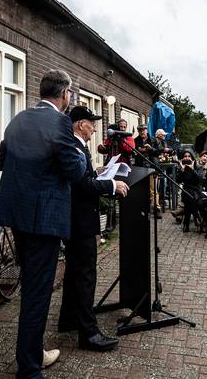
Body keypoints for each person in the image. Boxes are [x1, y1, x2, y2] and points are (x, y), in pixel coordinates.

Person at [0, 70, 89, 378]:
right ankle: (30, 369)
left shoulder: (19, 117)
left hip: (17, 217)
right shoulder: (60, 121)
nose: (70, 99)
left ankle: (33, 352)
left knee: (31, 288)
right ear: (64, 94)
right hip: (43, 220)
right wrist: (82, 153)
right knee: (37, 292)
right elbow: (75, 171)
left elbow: (1, 163)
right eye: (71, 94)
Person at [58, 106, 129, 352]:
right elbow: (81, 186)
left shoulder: (76, 146)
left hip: (76, 219)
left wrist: (99, 173)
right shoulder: (74, 146)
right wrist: (110, 184)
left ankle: (67, 319)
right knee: (86, 275)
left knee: (73, 273)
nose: (95, 128)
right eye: (92, 123)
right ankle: (88, 334)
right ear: (79, 124)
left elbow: (84, 178)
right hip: (80, 220)